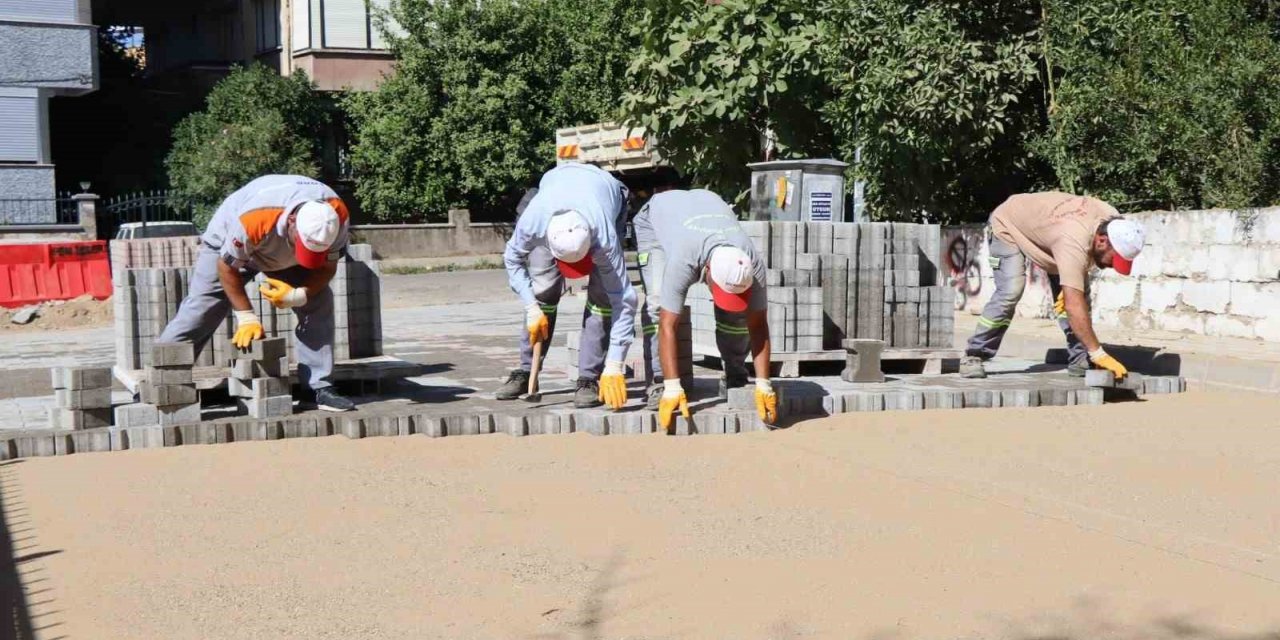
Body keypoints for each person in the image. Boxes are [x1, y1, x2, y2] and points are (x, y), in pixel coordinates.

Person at [157, 174, 355, 412]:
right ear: (292, 221)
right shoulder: (255, 217)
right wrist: (247, 316)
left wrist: (300, 294)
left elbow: (327, 266)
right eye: (304, 246)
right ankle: (161, 381)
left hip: (281, 250)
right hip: (230, 246)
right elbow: (227, 267)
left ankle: (317, 388)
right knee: (202, 308)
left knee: (319, 301)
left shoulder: (336, 216)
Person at [633, 188, 777, 432]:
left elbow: (758, 324)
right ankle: (659, 381)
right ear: (707, 272)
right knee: (658, 303)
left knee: (736, 314)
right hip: (655, 221)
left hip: (708, 202)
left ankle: (735, 375)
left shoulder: (751, 263)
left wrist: (764, 383)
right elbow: (669, 325)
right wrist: (672, 386)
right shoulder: (684, 259)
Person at [961, 192, 1146, 380]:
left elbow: (1083, 256)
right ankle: (975, 354)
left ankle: (1080, 359)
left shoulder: (1114, 222)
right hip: (1007, 225)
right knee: (1011, 290)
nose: (1113, 267)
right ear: (1102, 241)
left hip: (1051, 233)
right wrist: (1099, 353)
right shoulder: (1072, 240)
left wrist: (1072, 287)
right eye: (1114, 260)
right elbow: (1074, 304)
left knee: (1078, 298)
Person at [497, 163, 636, 410]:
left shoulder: (603, 237)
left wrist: (615, 364)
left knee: (602, 297)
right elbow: (511, 259)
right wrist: (531, 307)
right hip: (554, 187)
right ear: (549, 243)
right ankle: (527, 372)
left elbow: (623, 299)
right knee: (542, 290)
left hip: (607, 193)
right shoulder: (534, 223)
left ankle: (589, 378)